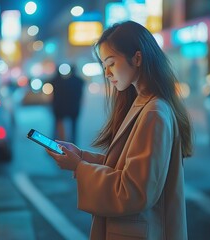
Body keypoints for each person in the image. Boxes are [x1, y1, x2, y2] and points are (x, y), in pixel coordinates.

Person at [46, 21, 192, 240]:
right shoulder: (144, 103)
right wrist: (82, 156)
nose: (106, 73)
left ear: (137, 58)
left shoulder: (154, 111)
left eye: (111, 63)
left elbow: (134, 191)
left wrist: (79, 166)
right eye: (104, 65)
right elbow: (127, 167)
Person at [51, 65, 84, 144]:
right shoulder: (79, 81)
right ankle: (74, 143)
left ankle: (55, 142)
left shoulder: (56, 81)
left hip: (59, 107)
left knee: (57, 125)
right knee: (74, 127)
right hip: (74, 107)